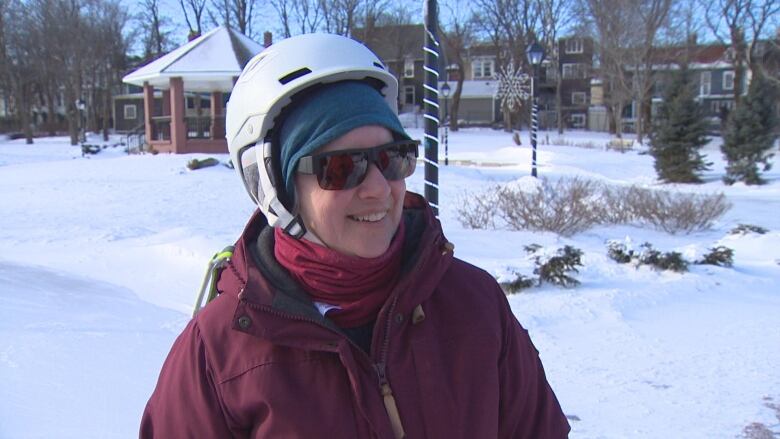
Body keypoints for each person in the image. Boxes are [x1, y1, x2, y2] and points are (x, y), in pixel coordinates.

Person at [140, 33, 569, 438]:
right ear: (279, 190)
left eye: (392, 158)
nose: (379, 188)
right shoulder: (218, 354)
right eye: (342, 168)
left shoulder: (475, 305)